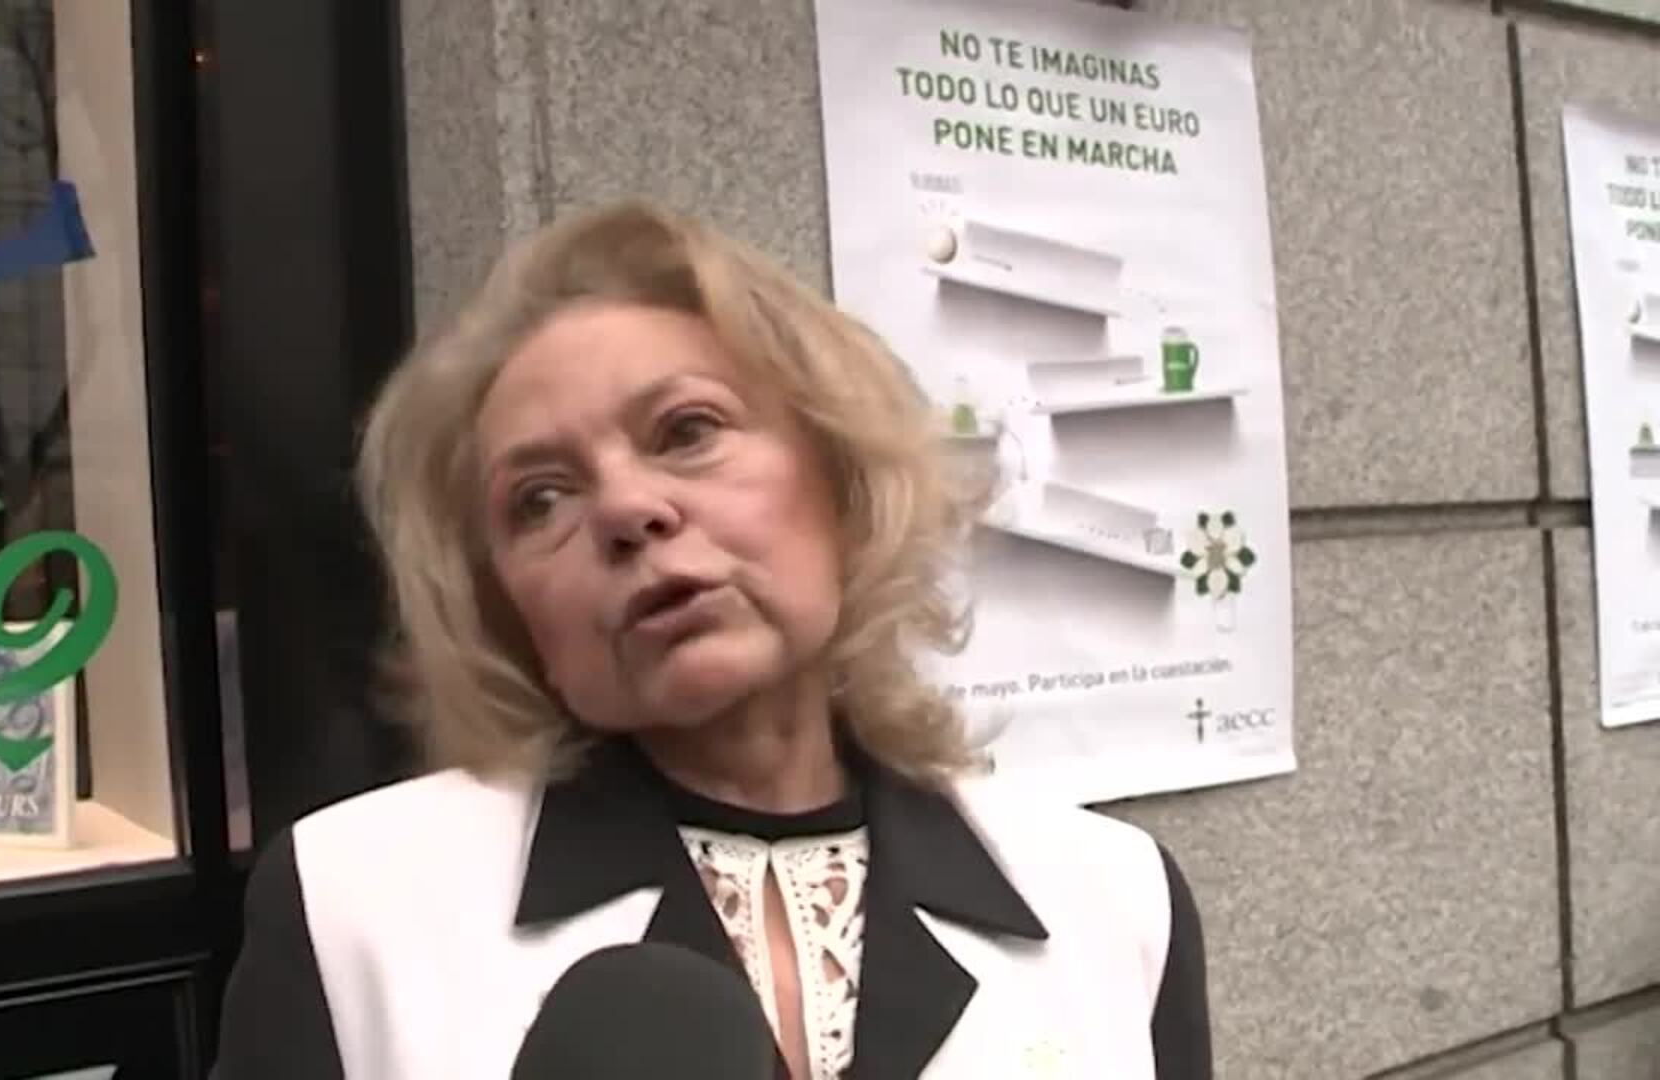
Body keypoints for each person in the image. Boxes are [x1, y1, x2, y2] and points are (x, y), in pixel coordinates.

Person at [210, 201, 1212, 1079]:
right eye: (541, 498)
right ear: (503, 603)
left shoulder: (1112, 898)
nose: (626, 509)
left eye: (687, 431)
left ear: (839, 473)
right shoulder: (354, 910)